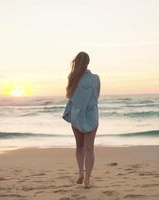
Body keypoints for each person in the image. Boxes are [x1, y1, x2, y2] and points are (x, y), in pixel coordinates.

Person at [62, 51, 100, 188]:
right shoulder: (96, 78)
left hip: (77, 114)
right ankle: (88, 179)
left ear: (76, 62)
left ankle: (80, 172)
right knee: (89, 149)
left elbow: (69, 95)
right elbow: (97, 96)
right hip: (91, 115)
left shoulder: (72, 77)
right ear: (88, 62)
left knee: (79, 146)